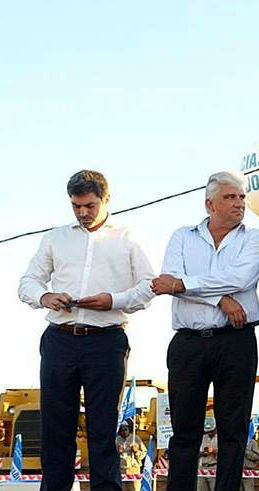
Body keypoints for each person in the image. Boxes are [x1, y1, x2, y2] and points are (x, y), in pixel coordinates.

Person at [18, 170, 155, 491]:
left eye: (90, 206)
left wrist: (113, 300)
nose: (82, 213)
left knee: (103, 428)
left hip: (106, 341)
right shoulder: (55, 238)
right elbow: (28, 282)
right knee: (55, 428)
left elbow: (149, 287)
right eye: (76, 206)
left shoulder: (128, 237)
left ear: (106, 200)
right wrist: (45, 296)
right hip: (59, 340)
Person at [152, 171, 259, 491]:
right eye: (230, 197)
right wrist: (220, 299)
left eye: (242, 197)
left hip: (236, 342)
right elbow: (168, 280)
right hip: (189, 343)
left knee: (233, 430)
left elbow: (239, 278)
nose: (239, 203)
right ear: (209, 204)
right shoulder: (182, 237)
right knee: (185, 432)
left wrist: (187, 284)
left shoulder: (254, 238)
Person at [115, 420, 145, 491]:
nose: (124, 431)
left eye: (125, 429)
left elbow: (144, 453)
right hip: (122, 470)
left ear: (129, 429)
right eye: (122, 430)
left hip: (134, 469)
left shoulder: (136, 438)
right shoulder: (116, 440)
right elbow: (111, 456)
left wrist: (136, 451)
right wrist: (118, 452)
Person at [198, 418, 218, 491]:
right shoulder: (203, 438)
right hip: (202, 467)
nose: (209, 433)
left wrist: (214, 451)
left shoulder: (220, 439)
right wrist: (203, 453)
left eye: (211, 431)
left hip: (214, 467)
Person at [241, 426, 259, 491]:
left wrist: (246, 452)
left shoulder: (253, 443)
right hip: (237, 471)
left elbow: (257, 457)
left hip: (248, 471)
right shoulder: (237, 443)